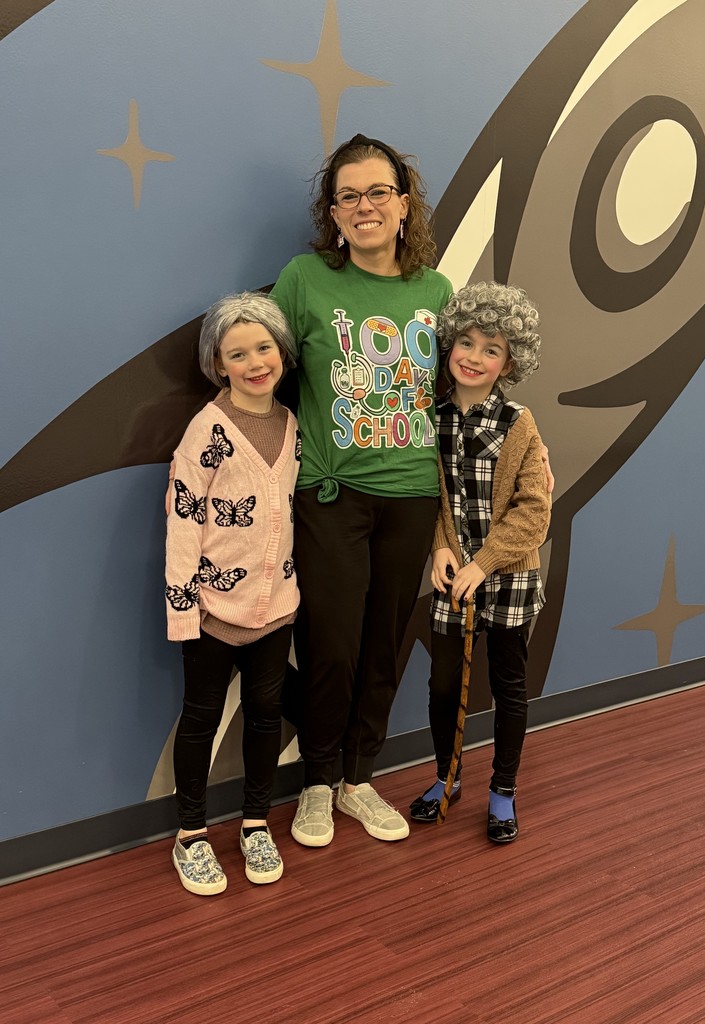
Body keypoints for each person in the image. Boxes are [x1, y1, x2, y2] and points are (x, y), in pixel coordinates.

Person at [270, 133, 454, 846]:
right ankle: (317, 783)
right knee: (331, 646)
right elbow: (262, 372)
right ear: (333, 212)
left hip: (411, 495)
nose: (364, 206)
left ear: (404, 205)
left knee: (383, 645)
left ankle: (358, 780)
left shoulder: (436, 291)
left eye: (378, 192)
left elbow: (454, 398)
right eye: (348, 196)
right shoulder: (304, 278)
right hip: (332, 493)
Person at [164, 291, 300, 894]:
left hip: (277, 609)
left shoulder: (292, 425)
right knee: (201, 717)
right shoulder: (206, 431)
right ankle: (191, 833)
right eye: (237, 353)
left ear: (282, 352)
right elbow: (183, 523)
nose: (254, 363)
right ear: (218, 364)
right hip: (213, 612)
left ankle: (255, 822)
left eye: (263, 348)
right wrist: (183, 610)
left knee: (266, 714)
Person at [408, 281, 551, 844]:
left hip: (508, 576)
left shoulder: (519, 422)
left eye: (491, 349)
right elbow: (427, 494)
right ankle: (447, 776)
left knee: (509, 685)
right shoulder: (429, 418)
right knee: (444, 685)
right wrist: (440, 546)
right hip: (452, 578)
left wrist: (485, 562)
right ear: (449, 345)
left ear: (509, 363)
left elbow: (534, 509)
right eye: (465, 343)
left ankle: (503, 789)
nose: (474, 357)